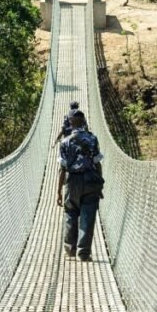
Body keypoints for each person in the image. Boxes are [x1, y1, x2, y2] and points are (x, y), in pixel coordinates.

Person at [56, 110, 104, 261]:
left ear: (70, 122)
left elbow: (62, 169)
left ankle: (70, 250)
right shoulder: (92, 138)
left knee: (70, 213)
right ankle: (83, 253)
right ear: (83, 121)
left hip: (73, 182)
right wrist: (100, 183)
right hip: (91, 180)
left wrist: (58, 191)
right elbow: (98, 163)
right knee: (88, 216)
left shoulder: (65, 142)